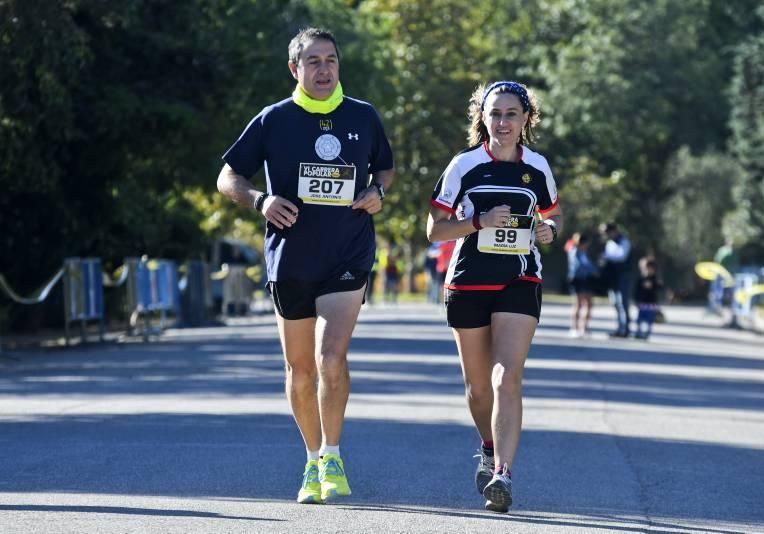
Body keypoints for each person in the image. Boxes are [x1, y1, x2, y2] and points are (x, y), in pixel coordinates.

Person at [216, 27, 394, 504]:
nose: (323, 69)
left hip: (347, 253)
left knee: (330, 357)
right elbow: (227, 175)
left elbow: (385, 168)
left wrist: (378, 192)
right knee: (299, 371)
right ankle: (313, 458)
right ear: (295, 69)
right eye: (312, 61)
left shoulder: (363, 116)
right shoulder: (274, 120)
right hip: (290, 259)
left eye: (330, 60)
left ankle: (333, 453)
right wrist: (260, 200)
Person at [427, 80, 562, 513]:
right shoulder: (463, 165)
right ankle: (487, 445)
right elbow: (435, 229)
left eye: (511, 114)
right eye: (495, 114)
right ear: (482, 119)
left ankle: (502, 474)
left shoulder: (537, 166)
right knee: (478, 388)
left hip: (518, 280)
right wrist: (479, 221)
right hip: (467, 282)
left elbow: (553, 212)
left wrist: (550, 230)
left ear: (526, 119)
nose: (502, 122)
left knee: (507, 378)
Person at [601, 222, 632, 337]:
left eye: (607, 233)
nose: (606, 235)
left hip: (623, 276)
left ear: (614, 231)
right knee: (615, 303)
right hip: (612, 277)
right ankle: (620, 328)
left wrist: (606, 257)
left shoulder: (624, 242)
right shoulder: (609, 243)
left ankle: (625, 329)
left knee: (622, 303)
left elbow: (621, 256)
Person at [566, 233, 598, 337]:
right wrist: (592, 270)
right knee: (578, 304)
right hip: (577, 280)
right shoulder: (574, 251)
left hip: (587, 280)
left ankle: (584, 328)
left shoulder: (585, 253)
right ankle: (574, 328)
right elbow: (579, 265)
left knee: (588, 304)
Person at [633, 257, 663, 339]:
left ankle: (647, 332)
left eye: (650, 269)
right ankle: (638, 331)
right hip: (642, 301)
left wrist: (654, 285)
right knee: (640, 317)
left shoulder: (655, 279)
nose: (648, 270)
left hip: (651, 302)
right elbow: (636, 290)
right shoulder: (641, 278)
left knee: (650, 318)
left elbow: (660, 288)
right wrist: (636, 300)